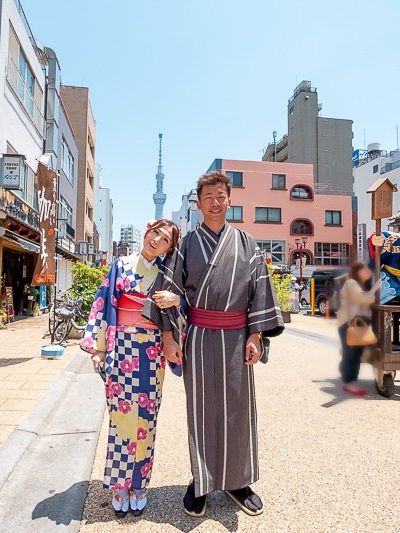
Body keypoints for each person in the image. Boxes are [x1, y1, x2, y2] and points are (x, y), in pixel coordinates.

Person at [144, 170, 285, 518]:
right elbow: (168, 291)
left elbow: (260, 292)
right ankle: (201, 480)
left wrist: (256, 335)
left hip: (238, 338)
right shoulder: (187, 244)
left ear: (229, 199)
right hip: (200, 337)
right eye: (208, 196)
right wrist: (168, 337)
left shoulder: (248, 243)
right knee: (202, 409)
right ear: (199, 203)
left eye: (221, 195)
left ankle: (237, 481)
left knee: (238, 409)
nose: (215, 201)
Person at [80, 219, 181, 518]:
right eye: (154, 233)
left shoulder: (166, 274)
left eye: (164, 239)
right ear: (147, 232)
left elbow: (183, 308)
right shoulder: (120, 264)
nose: (156, 240)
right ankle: (119, 485)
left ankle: (140, 485)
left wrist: (176, 299)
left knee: (147, 418)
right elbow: (104, 304)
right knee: (120, 417)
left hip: (151, 349)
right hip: (120, 346)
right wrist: (98, 349)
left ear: (169, 248)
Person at [336, 262, 380, 396]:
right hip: (348, 324)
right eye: (365, 269)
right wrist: (375, 289)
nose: (368, 271)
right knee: (352, 353)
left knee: (355, 353)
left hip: (357, 324)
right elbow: (363, 298)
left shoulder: (361, 284)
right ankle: (349, 382)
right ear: (357, 271)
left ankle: (348, 376)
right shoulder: (351, 283)